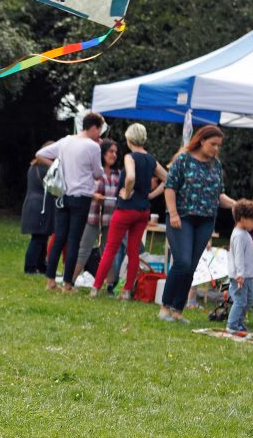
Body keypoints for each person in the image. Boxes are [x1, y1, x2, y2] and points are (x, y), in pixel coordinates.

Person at [158, 125, 235, 322]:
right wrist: (173, 213)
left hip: (206, 221)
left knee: (191, 267)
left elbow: (219, 196)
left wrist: (237, 205)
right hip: (181, 218)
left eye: (219, 145)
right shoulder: (183, 159)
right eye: (213, 144)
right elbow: (170, 187)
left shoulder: (216, 165)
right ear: (201, 141)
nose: (216, 149)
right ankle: (165, 308)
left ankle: (178, 310)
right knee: (182, 262)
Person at [90, 124, 167, 299]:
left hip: (125, 210)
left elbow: (130, 176)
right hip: (143, 211)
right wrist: (150, 195)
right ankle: (126, 291)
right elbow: (168, 179)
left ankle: (95, 288)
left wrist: (126, 191)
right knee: (133, 251)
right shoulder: (151, 159)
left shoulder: (129, 157)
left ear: (129, 139)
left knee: (110, 248)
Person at [35, 112, 105, 292]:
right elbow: (98, 173)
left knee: (59, 237)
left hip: (62, 195)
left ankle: (50, 280)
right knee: (74, 240)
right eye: (100, 130)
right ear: (95, 128)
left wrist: (56, 166)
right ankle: (67, 283)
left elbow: (40, 154)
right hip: (81, 197)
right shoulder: (93, 146)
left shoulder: (66, 141)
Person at [74, 139, 121, 284]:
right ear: (103, 153)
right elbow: (82, 189)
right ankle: (70, 280)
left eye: (116, 152)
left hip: (110, 219)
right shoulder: (94, 171)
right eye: (111, 151)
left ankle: (110, 285)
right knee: (84, 249)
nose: (114, 155)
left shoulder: (118, 174)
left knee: (109, 252)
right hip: (92, 217)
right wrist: (94, 196)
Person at [226, 200, 253, 332]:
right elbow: (239, 256)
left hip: (248, 276)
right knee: (240, 301)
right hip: (240, 276)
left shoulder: (244, 233)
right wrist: (240, 274)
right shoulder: (239, 235)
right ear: (243, 219)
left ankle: (239, 322)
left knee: (251, 299)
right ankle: (232, 325)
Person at [21, 141, 55, 275]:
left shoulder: (34, 167)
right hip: (41, 205)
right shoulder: (47, 169)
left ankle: (40, 265)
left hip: (32, 203)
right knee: (38, 238)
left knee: (41, 236)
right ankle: (30, 266)